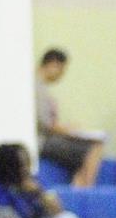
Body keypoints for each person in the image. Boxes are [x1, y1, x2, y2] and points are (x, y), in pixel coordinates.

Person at [34, 47, 105, 186]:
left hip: (47, 138)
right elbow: (47, 125)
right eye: (61, 70)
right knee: (95, 146)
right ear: (53, 64)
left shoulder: (40, 87)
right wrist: (71, 131)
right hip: (42, 140)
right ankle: (84, 190)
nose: (62, 75)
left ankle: (80, 187)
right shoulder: (37, 87)